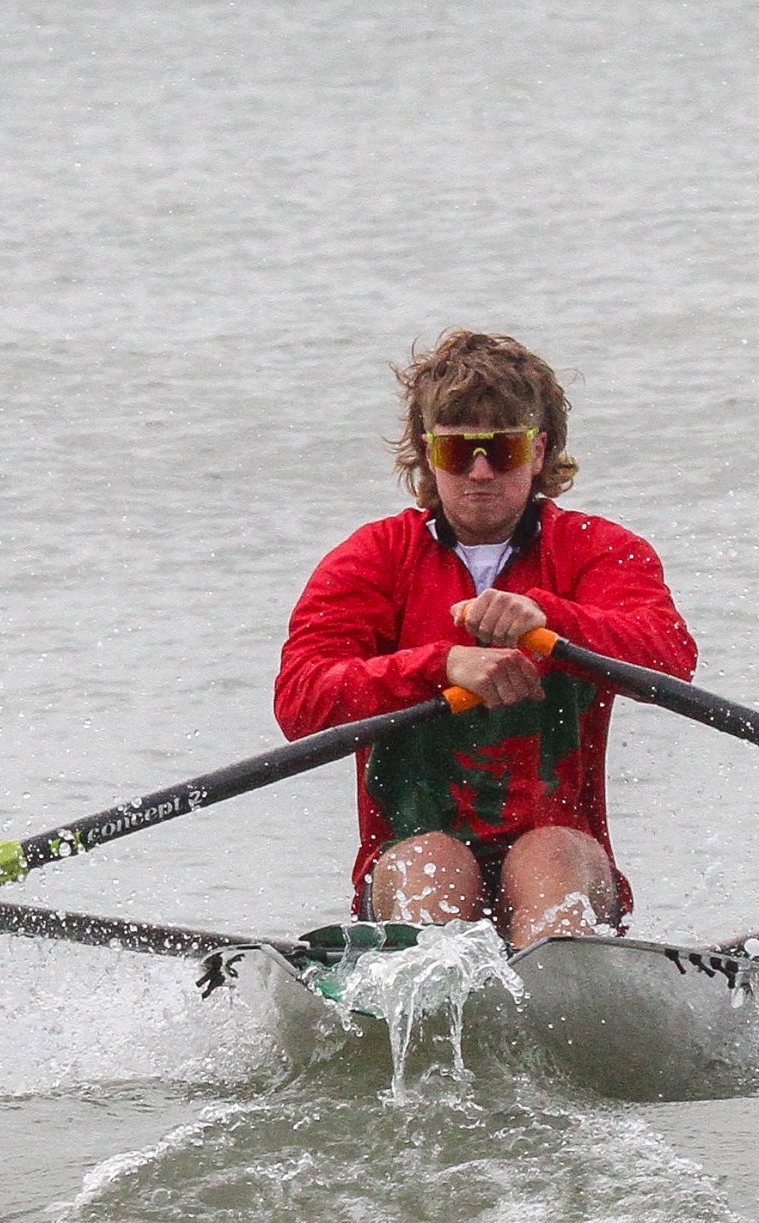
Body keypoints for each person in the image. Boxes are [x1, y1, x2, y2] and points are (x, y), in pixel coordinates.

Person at [274, 331, 698, 946]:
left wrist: (547, 620)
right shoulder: (371, 558)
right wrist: (441, 665)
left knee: (548, 856)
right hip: (413, 853)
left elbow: (670, 658)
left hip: (562, 851)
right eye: (457, 451)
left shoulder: (600, 550)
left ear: (538, 450)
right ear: (427, 454)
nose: (479, 471)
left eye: (501, 449)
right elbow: (300, 702)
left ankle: (549, 974)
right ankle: (439, 983)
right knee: (435, 861)